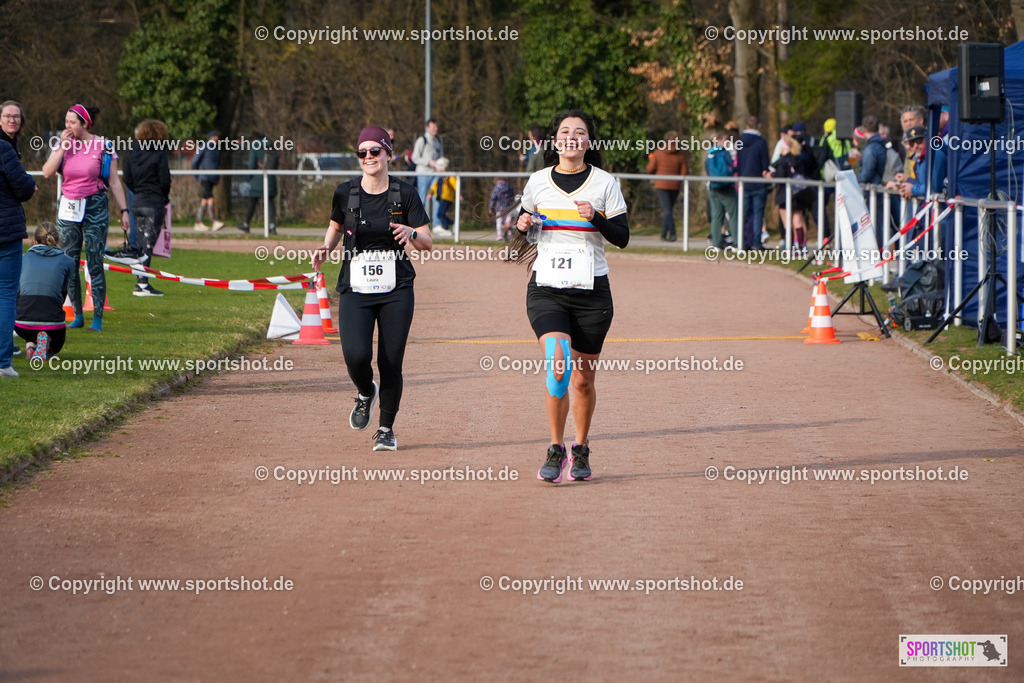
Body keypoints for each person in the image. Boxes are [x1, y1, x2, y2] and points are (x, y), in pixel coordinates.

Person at [510, 109, 629, 484]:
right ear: (555, 140)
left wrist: (596, 217)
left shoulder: (605, 183)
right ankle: (555, 447)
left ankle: (581, 448)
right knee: (558, 365)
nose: (572, 137)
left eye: (580, 132)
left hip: (592, 293)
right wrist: (523, 224)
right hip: (547, 289)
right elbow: (527, 226)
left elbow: (622, 237)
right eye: (565, 131)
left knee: (582, 381)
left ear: (589, 141)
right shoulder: (538, 181)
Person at [311, 126, 433, 452]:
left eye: (375, 151)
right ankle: (366, 391)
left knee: (390, 361)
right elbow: (336, 225)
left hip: (397, 288)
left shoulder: (405, 193)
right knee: (356, 356)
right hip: (355, 287)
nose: (368, 157)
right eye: (362, 152)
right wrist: (326, 248)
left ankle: (386, 428)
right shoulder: (345, 192)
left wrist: (412, 233)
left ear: (388, 154)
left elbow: (427, 242)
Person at [42, 104, 129, 332]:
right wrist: (62, 147)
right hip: (69, 207)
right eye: (66, 121)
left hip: (95, 206)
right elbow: (47, 172)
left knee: (94, 260)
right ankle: (78, 314)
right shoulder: (63, 145)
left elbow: (114, 181)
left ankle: (97, 318)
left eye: (72, 122)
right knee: (69, 261)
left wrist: (124, 210)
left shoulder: (103, 145)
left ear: (85, 124)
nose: (67, 126)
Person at [0, 100, 36, 377]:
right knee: (6, 293)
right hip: (6, 230)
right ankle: (3, 362)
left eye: (16, 116)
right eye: (7, 116)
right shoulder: (4, 149)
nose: (12, 120)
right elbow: (23, 188)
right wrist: (31, 185)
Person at [122, 119, 172, 296]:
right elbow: (165, 180)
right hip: (154, 203)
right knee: (147, 246)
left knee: (141, 244)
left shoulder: (130, 152)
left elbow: (127, 178)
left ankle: (141, 281)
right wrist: (164, 197)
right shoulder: (159, 154)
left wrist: (137, 191)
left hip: (137, 202)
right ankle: (142, 284)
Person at [16, 222, 75, 360]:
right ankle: (46, 345)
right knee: (57, 342)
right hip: (52, 322)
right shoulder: (68, 262)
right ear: (58, 241)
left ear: (35, 241)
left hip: (21, 323)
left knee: (30, 310)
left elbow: (18, 292)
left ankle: (31, 345)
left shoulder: (22, 259)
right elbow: (62, 294)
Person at [646, 130, 687, 241]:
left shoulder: (658, 153)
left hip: (661, 185)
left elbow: (650, 169)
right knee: (668, 209)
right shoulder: (681, 156)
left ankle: (672, 233)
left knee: (667, 210)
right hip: (675, 185)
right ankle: (664, 234)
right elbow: (684, 172)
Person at [736, 117, 770, 249]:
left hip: (744, 182)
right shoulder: (761, 142)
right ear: (758, 126)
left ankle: (743, 242)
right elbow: (765, 164)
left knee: (743, 214)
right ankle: (756, 242)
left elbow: (738, 163)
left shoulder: (740, 141)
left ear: (747, 126)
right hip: (758, 182)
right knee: (758, 214)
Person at [238, 132, 280, 234]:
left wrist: (248, 177)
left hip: (257, 180)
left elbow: (252, 164)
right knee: (270, 202)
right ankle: (272, 226)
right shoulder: (272, 145)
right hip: (270, 178)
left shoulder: (255, 146)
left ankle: (246, 224)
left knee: (252, 202)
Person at [705, 130, 737, 250]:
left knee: (716, 216)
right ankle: (736, 241)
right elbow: (732, 168)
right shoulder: (725, 153)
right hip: (726, 187)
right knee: (734, 214)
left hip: (713, 187)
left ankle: (716, 243)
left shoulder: (710, 154)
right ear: (720, 140)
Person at [191, 131, 224, 231]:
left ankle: (199, 222)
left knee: (205, 199)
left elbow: (217, 164)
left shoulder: (217, 149)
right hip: (204, 177)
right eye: (214, 136)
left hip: (212, 178)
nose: (216, 138)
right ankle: (214, 221)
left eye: (217, 136)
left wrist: (217, 178)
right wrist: (197, 176)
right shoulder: (203, 147)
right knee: (210, 198)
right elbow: (194, 161)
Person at [412, 119, 442, 220]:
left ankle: (437, 224)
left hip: (435, 174)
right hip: (423, 174)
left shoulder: (438, 141)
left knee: (437, 197)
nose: (436, 129)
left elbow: (440, 157)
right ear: (428, 128)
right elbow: (415, 157)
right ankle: (418, 222)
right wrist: (429, 162)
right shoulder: (422, 140)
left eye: (436, 126)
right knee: (421, 199)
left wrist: (441, 165)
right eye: (434, 127)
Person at [428, 157, 455, 237]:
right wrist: (430, 193)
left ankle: (446, 229)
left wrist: (459, 194)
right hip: (441, 198)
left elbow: (455, 185)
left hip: (447, 198)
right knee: (440, 214)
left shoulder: (449, 176)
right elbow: (434, 186)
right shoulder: (439, 177)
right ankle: (453, 223)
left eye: (438, 168)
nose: (437, 169)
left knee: (440, 214)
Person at [488, 176, 517, 240]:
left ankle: (499, 235)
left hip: (499, 207)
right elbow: (513, 196)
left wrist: (491, 208)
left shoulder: (497, 187)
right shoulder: (510, 187)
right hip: (509, 207)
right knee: (508, 220)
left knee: (499, 221)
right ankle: (509, 233)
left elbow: (493, 198)